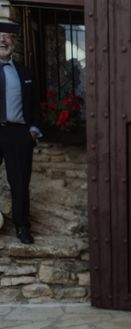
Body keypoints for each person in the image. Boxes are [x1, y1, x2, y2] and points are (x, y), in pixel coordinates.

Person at [0, 23, 41, 244]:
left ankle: (22, 226)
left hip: (18, 134)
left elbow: (35, 104)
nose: (2, 40)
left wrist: (33, 131)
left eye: (7, 37)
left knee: (19, 183)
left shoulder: (24, 72)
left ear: (13, 44)